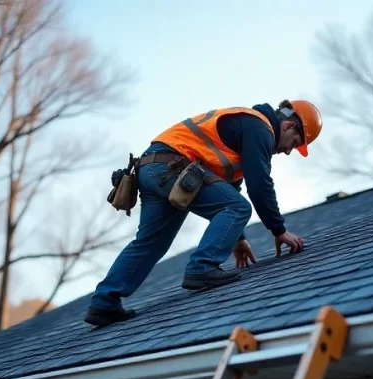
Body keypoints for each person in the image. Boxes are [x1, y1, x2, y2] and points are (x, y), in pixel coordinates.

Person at [84, 99, 323, 327]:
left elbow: (227, 188)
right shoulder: (259, 127)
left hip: (152, 169)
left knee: (150, 243)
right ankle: (202, 267)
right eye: (294, 142)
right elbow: (259, 185)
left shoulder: (245, 126)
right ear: (289, 125)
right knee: (239, 207)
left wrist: (238, 240)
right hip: (173, 167)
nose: (289, 151)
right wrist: (278, 230)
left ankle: (104, 302)